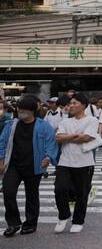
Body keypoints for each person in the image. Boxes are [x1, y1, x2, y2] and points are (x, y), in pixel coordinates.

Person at [0, 93, 58, 237]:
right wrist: (1, 161)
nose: (21, 112)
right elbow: (2, 143)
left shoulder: (43, 126)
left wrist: (48, 157)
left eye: (24, 110)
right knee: (8, 192)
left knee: (32, 195)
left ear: (32, 110)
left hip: (34, 165)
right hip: (13, 166)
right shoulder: (11, 125)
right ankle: (13, 223)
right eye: (19, 109)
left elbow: (51, 143)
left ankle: (31, 224)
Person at [53, 91, 101, 235]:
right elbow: (58, 138)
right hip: (65, 161)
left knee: (82, 193)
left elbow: (86, 137)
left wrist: (67, 137)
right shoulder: (65, 121)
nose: (71, 106)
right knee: (59, 189)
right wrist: (75, 135)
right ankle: (64, 215)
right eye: (70, 103)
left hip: (84, 162)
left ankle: (78, 221)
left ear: (83, 105)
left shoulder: (92, 120)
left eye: (74, 103)